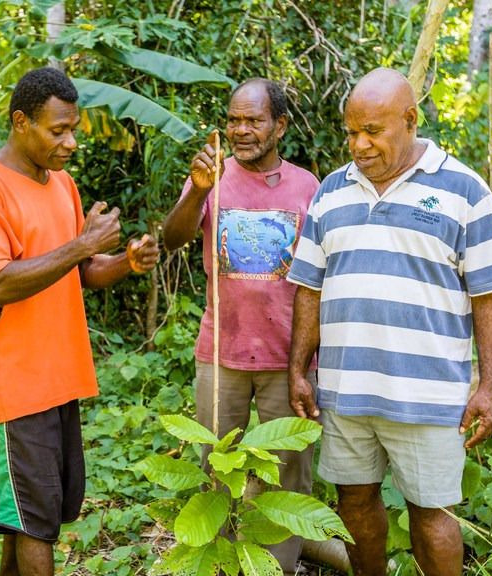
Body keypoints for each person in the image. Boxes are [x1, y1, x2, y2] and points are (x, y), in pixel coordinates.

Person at [286, 67, 492, 576]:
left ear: (410, 120)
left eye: (372, 131)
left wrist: (489, 388)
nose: (358, 145)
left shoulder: (464, 191)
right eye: (350, 132)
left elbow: (490, 299)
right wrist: (299, 369)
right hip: (345, 390)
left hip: (429, 395)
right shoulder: (331, 191)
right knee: (355, 504)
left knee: (430, 512)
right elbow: (309, 288)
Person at [0, 66, 160, 576]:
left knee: (26, 515)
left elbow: (79, 272)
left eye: (74, 130)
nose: (70, 142)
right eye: (57, 130)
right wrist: (83, 243)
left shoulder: (61, 185)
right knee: (33, 520)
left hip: (58, 379)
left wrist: (125, 263)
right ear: (21, 122)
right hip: (11, 385)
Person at [162, 78, 320, 574]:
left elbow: (318, 280)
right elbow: (173, 238)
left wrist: (307, 361)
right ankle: (221, 562)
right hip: (220, 353)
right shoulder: (211, 175)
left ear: (280, 126)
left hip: (287, 358)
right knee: (214, 469)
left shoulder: (307, 186)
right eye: (233, 120)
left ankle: (277, 566)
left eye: (253, 120)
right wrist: (198, 193)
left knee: (287, 476)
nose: (241, 130)